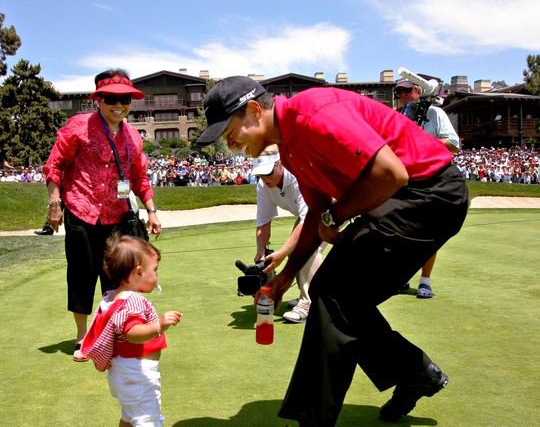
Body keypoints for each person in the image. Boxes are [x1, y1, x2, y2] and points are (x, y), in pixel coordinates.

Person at [198, 76, 468, 426]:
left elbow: (391, 174)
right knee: (338, 298)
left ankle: (318, 417)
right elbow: (315, 215)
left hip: (429, 194)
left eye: (228, 130)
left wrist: (334, 215)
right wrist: (285, 277)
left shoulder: (315, 115)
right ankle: (415, 371)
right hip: (404, 197)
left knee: (335, 293)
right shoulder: (290, 145)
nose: (228, 142)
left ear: (253, 111)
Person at [43, 68, 162, 362]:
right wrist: (54, 202)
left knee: (116, 277)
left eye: (125, 99)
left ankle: (112, 333)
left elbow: (139, 177)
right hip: (81, 211)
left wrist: (152, 210)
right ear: (98, 100)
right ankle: (83, 337)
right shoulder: (77, 127)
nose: (118, 105)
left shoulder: (134, 137)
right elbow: (54, 166)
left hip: (117, 215)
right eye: (110, 98)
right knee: (82, 274)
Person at [80, 235, 182, 427]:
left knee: (129, 415)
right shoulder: (133, 300)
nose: (157, 275)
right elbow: (132, 332)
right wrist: (159, 325)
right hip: (138, 374)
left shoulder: (112, 297)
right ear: (138, 272)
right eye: (155, 270)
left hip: (122, 372)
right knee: (147, 420)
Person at [395, 78, 461, 299]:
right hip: (406, 180)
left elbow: (453, 143)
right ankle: (402, 274)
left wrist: (422, 141)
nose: (401, 94)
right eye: (397, 92)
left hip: (433, 180)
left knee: (428, 233)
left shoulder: (435, 113)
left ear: (417, 90)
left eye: (405, 90)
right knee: (402, 231)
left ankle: (425, 281)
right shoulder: (400, 116)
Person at [251, 144, 325, 323]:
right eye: (260, 174)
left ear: (280, 164)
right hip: (310, 214)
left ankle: (310, 303)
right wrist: (261, 250)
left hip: (334, 205)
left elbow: (307, 220)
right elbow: (263, 224)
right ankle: (304, 296)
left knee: (308, 247)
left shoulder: (298, 174)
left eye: (268, 172)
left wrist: (282, 254)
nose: (265, 179)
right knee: (296, 248)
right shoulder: (263, 187)